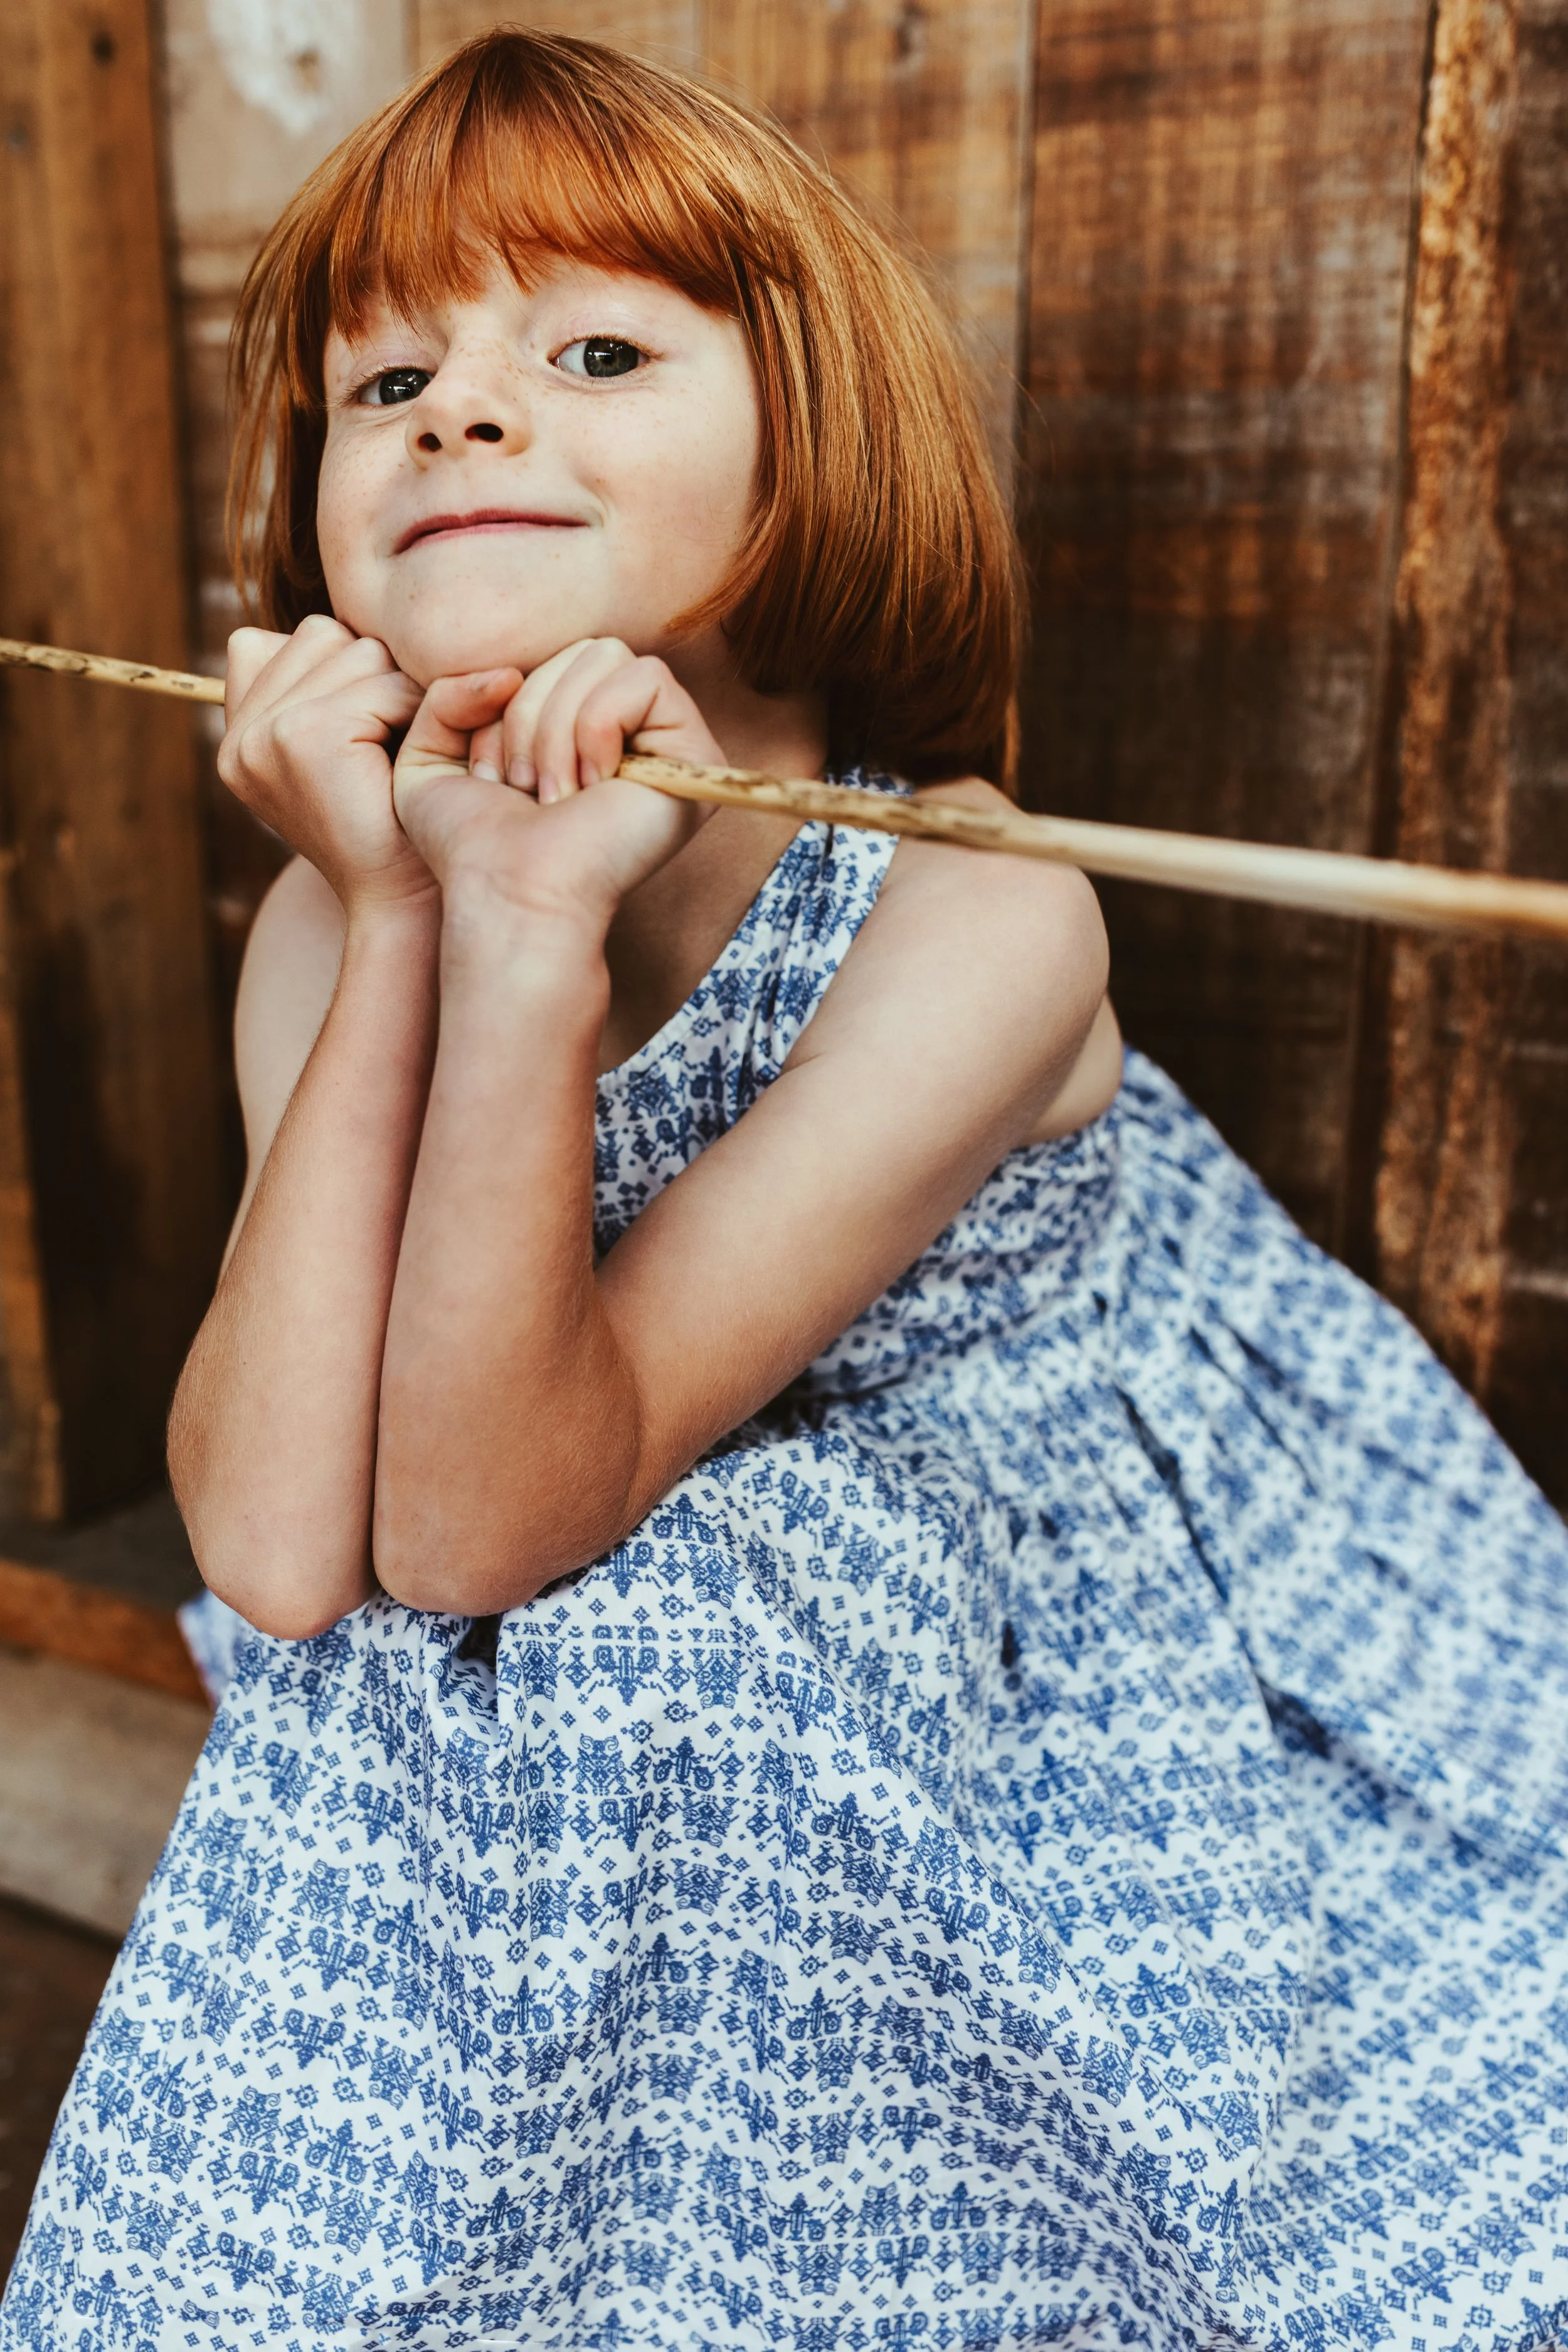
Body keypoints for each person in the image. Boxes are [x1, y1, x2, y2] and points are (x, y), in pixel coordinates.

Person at [4, 29, 1565, 2352]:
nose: (454, 416)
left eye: (596, 348)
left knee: (665, 1639)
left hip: (1045, 1526)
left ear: (809, 438)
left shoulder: (982, 909)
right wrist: (417, 909)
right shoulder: (349, 902)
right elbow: (282, 1545)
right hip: (555, 1453)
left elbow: (486, 1517)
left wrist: (530, 939)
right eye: (388, 380)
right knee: (409, 1681)